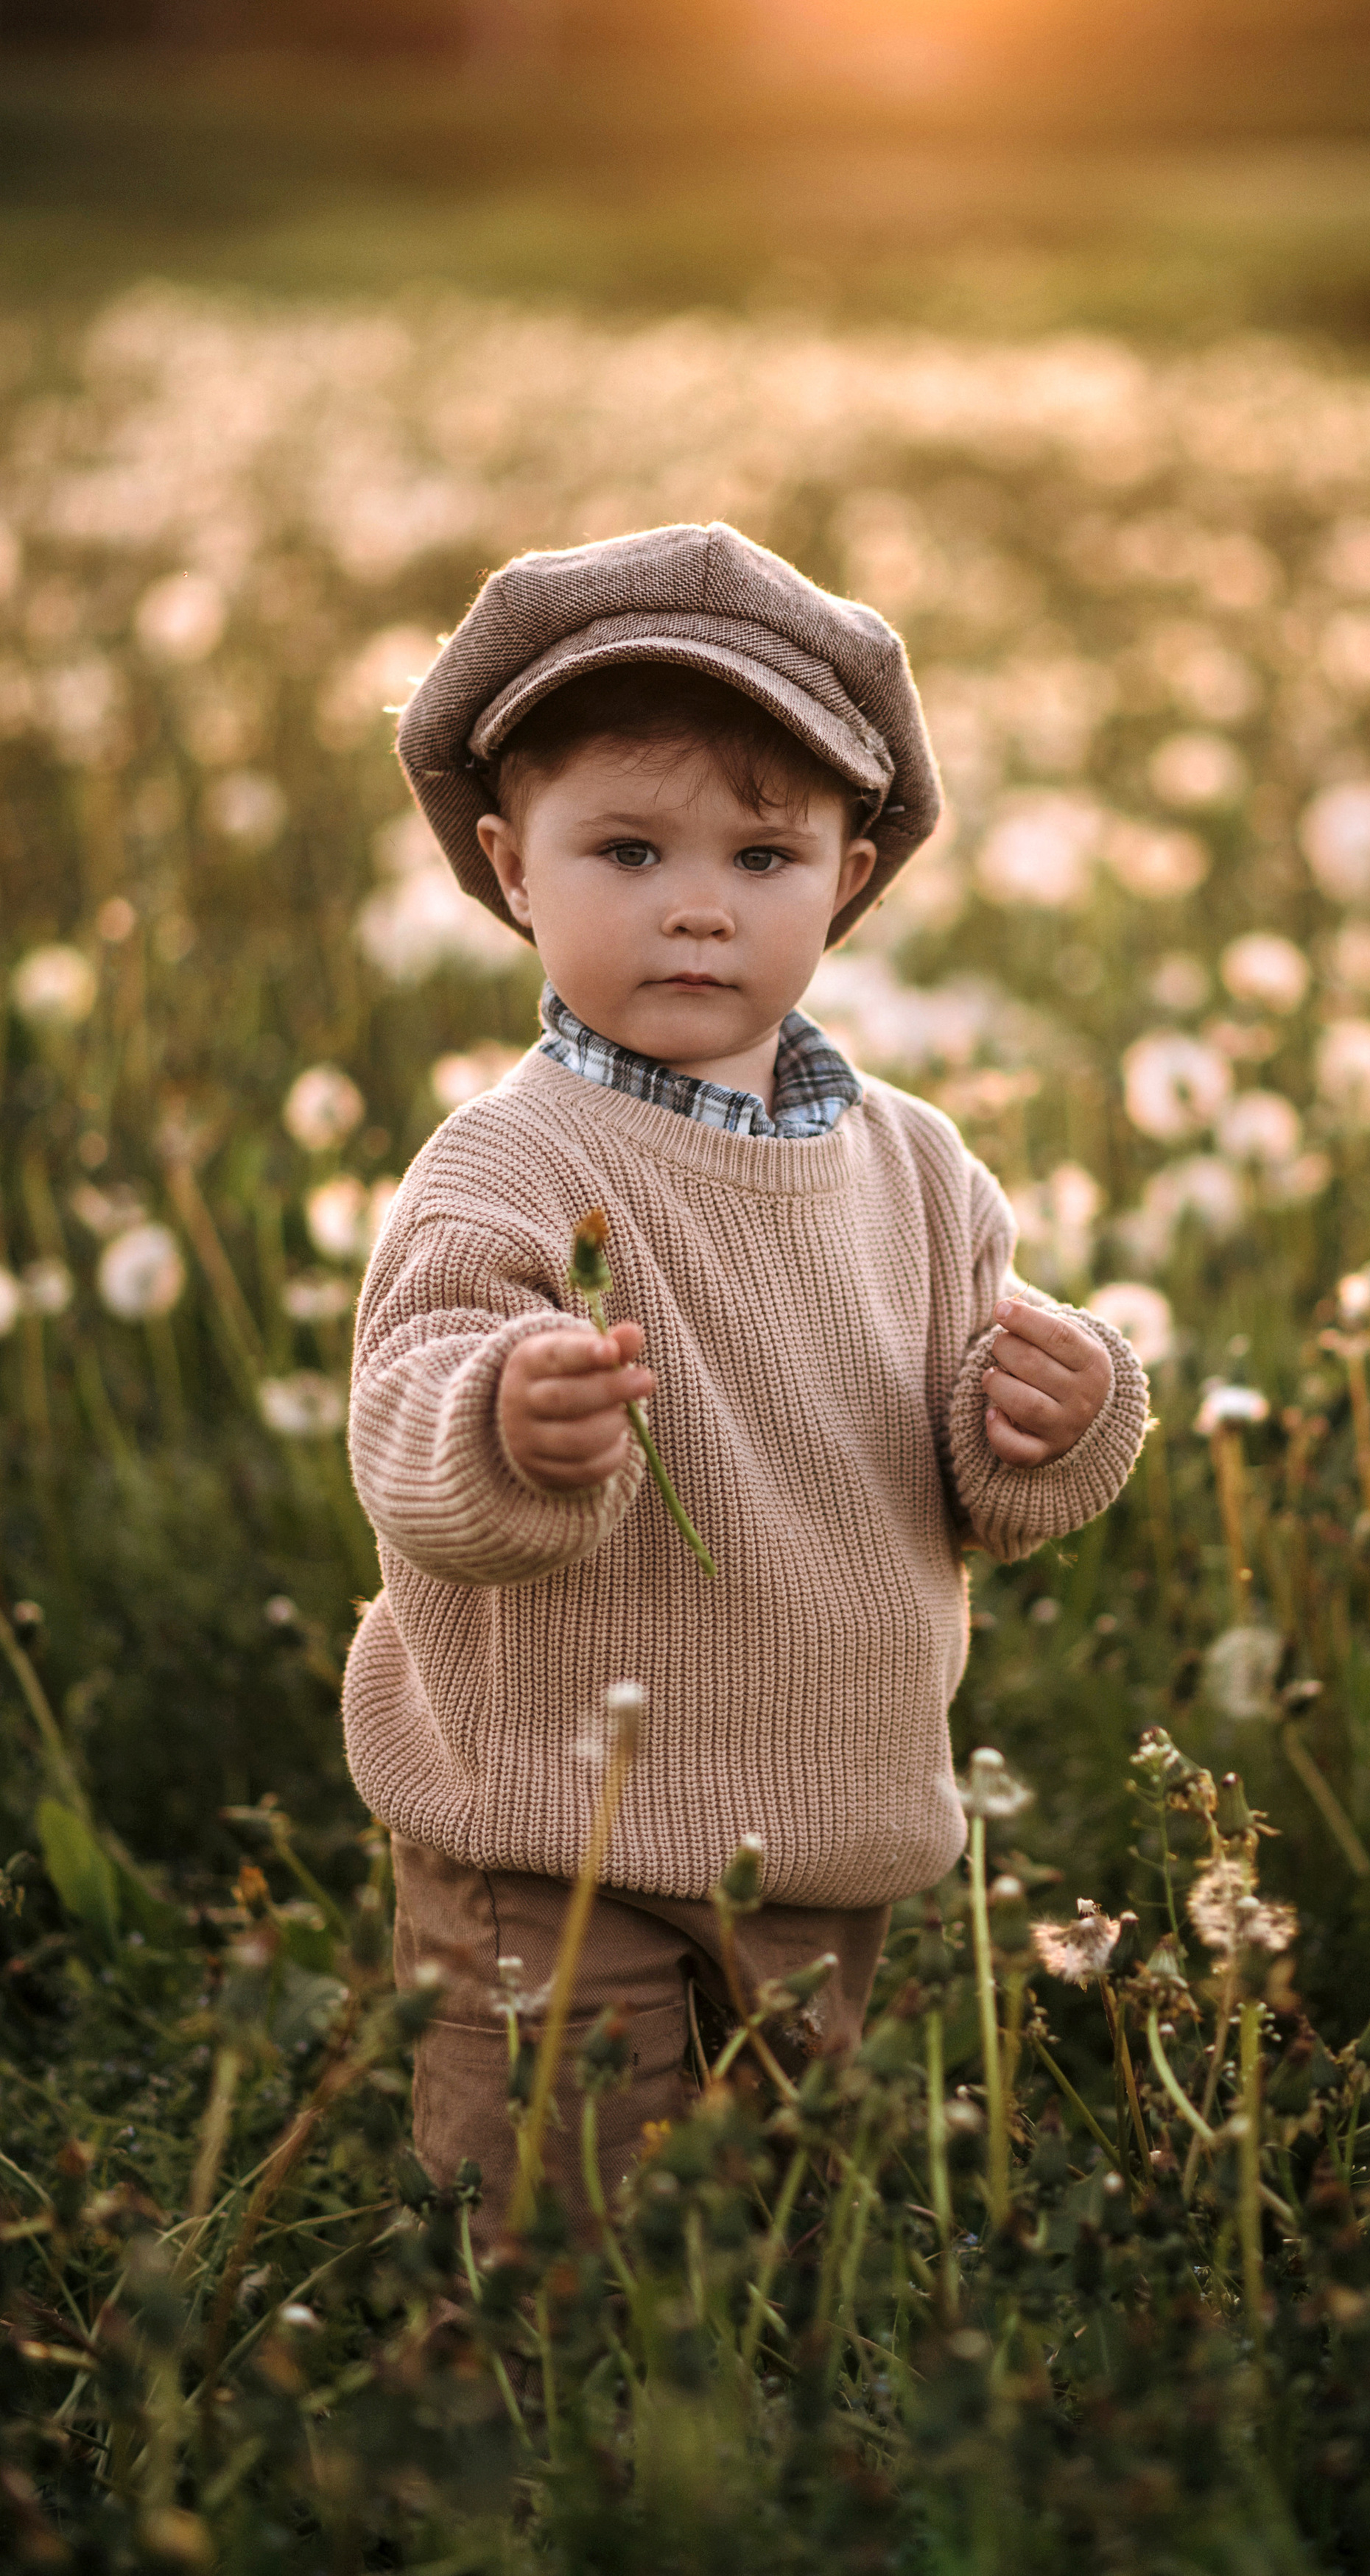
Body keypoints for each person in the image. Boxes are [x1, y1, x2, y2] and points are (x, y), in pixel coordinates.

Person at [343, 520, 1149, 2220]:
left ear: (849, 876)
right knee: (559, 2213)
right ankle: (552, 2447)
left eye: (763, 859)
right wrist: (502, 1424)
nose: (697, 906)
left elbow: (980, 1467)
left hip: (830, 1820)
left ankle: (773, 2451)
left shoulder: (922, 1168)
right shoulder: (501, 1164)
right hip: (549, 1831)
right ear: (508, 865)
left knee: (800, 2219)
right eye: (626, 850)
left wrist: (1060, 1421)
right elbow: (403, 1406)